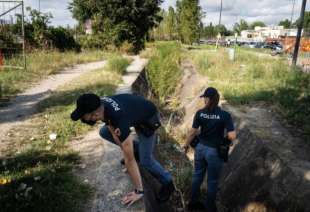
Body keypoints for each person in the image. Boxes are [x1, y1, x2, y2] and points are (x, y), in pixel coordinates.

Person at [71, 93, 175, 206]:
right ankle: (136, 151)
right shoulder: (100, 105)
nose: (82, 119)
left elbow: (129, 160)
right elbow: (111, 127)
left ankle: (168, 183)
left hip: (148, 118)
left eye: (83, 116)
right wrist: (126, 151)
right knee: (104, 131)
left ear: (95, 114)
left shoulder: (117, 117)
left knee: (146, 160)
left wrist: (139, 191)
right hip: (134, 111)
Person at [183, 87, 236, 212]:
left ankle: (193, 203)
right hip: (214, 152)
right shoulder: (225, 115)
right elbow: (232, 135)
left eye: (204, 98)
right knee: (212, 181)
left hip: (200, 149)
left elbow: (192, 132)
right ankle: (209, 207)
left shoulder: (200, 113)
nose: (203, 100)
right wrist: (226, 142)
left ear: (208, 99)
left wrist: (186, 145)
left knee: (197, 176)